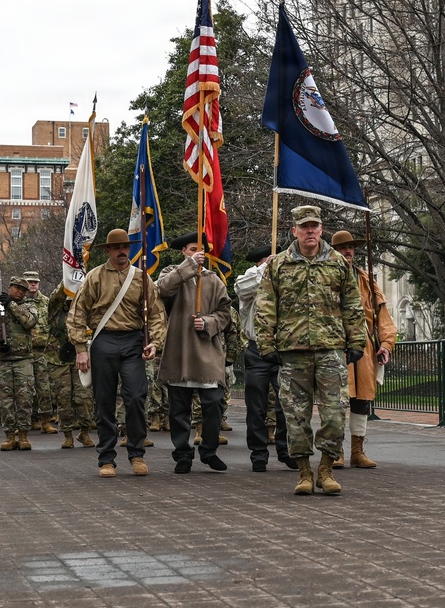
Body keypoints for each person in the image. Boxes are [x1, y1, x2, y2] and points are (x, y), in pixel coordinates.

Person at [255, 205, 365, 495]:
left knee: (335, 414)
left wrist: (356, 342)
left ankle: (326, 470)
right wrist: (266, 344)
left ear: (321, 229)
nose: (310, 231)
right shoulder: (278, 264)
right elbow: (266, 306)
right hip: (292, 352)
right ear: (294, 231)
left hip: (330, 349)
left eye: (314, 226)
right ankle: (304, 472)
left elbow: (352, 304)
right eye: (304, 227)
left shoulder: (338, 262)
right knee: (295, 417)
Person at [66, 228, 167, 478]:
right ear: (109, 251)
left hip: (133, 341)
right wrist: (80, 349)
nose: (122, 251)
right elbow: (77, 313)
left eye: (126, 247)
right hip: (104, 340)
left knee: (135, 397)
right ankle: (106, 459)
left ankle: (136, 454)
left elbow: (156, 314)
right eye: (117, 247)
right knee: (104, 402)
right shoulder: (95, 277)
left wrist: (154, 341)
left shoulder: (142, 278)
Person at [156, 232, 231, 473]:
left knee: (213, 404)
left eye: (200, 250)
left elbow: (225, 313)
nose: (197, 253)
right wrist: (188, 266)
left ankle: (209, 451)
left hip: (207, 351)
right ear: (184, 253)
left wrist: (209, 323)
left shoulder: (214, 280)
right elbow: (162, 290)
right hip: (180, 351)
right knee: (178, 409)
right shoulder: (171, 273)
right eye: (191, 249)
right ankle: (182, 455)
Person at [331, 230, 398, 469]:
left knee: (362, 401)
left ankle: (357, 451)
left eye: (351, 247)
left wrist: (386, 344)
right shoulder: (326, 277)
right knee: (336, 400)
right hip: (335, 346)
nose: (348, 251)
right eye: (343, 247)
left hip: (365, 349)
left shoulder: (366, 280)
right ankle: (335, 450)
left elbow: (383, 317)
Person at [234, 244, 297, 472]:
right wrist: (265, 270)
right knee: (257, 405)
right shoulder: (251, 276)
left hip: (283, 348)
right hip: (257, 349)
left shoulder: (286, 276)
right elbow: (241, 289)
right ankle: (258, 453)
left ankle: (285, 449)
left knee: (285, 404)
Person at [0, 276, 39, 451]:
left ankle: (23, 435)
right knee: (4, 400)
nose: (20, 292)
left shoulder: (29, 306)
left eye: (23, 290)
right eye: (17, 289)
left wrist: (11, 306)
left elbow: (29, 322)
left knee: (25, 399)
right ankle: (9, 435)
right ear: (10, 287)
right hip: (1, 361)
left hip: (23, 360)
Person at [46, 285, 95, 449]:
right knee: (63, 398)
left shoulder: (86, 310)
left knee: (84, 396)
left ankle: (84, 432)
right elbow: (56, 297)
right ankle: (68, 435)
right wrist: (69, 280)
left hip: (81, 357)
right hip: (58, 359)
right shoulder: (55, 311)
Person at [23, 271, 57, 434]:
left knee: (44, 387)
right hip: (24, 353)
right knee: (26, 389)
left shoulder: (46, 302)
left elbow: (53, 323)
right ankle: (30, 419)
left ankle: (45, 420)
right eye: (30, 282)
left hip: (43, 351)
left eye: (35, 282)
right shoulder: (18, 303)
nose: (33, 284)